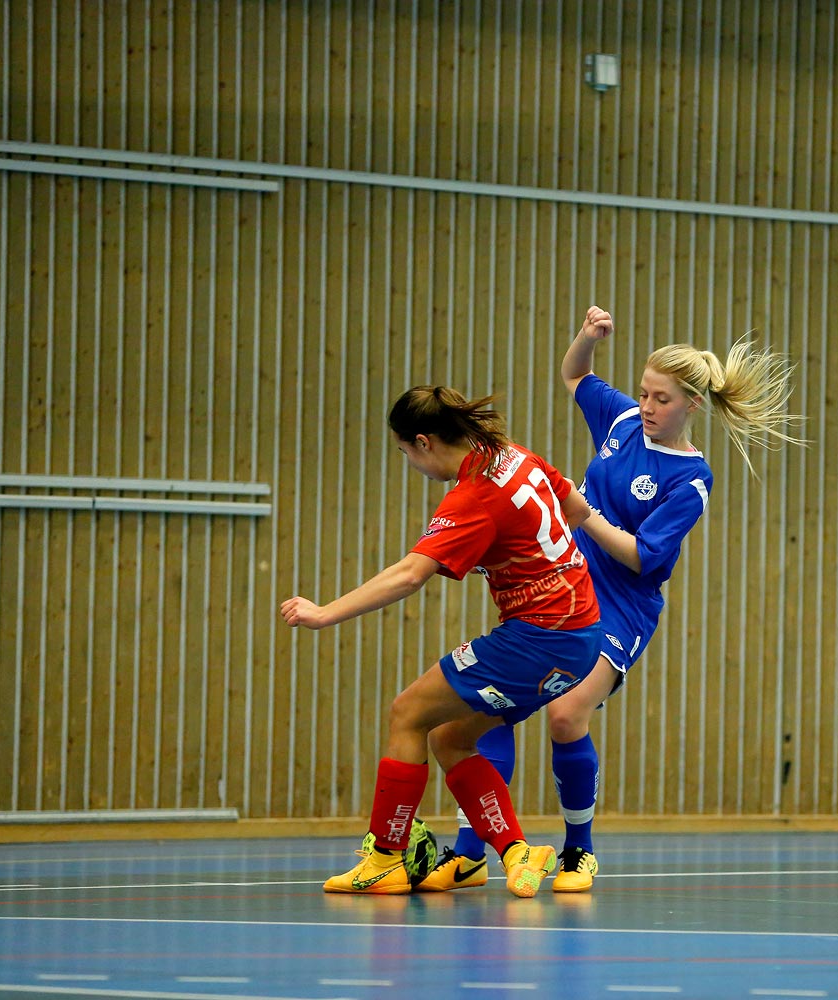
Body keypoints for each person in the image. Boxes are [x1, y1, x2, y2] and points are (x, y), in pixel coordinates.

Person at [420, 305, 804, 894]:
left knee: (565, 714)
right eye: (645, 393)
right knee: (489, 707)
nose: (647, 406)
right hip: (559, 586)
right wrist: (587, 337)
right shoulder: (624, 421)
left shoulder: (690, 478)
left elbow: (645, 558)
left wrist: (585, 515)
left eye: (662, 400)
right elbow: (576, 377)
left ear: (692, 406)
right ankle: (472, 851)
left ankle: (579, 850)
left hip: (620, 607)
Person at [280, 385, 602, 898]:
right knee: (449, 735)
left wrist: (324, 614)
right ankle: (518, 852)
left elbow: (410, 575)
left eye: (405, 451)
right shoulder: (516, 456)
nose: (409, 461)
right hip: (582, 638)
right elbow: (578, 510)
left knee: (407, 712)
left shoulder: (473, 497)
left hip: (538, 638)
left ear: (424, 442)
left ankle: (384, 858)